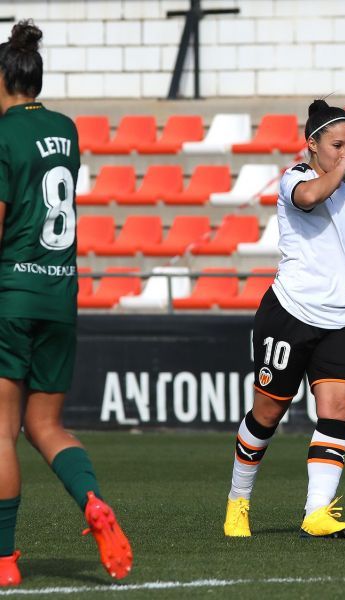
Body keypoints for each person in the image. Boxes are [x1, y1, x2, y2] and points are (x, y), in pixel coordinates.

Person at [0, 21, 132, 587]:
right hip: (60, 292)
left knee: (1, 431)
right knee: (46, 425)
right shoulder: (67, 130)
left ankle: (4, 561)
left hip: (13, 292)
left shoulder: (3, 135)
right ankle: (94, 503)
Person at [223, 99, 345, 539]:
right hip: (289, 314)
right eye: (337, 145)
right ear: (312, 144)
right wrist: (340, 171)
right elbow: (312, 198)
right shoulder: (296, 179)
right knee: (267, 414)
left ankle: (317, 512)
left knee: (336, 410)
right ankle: (238, 500)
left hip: (340, 319)